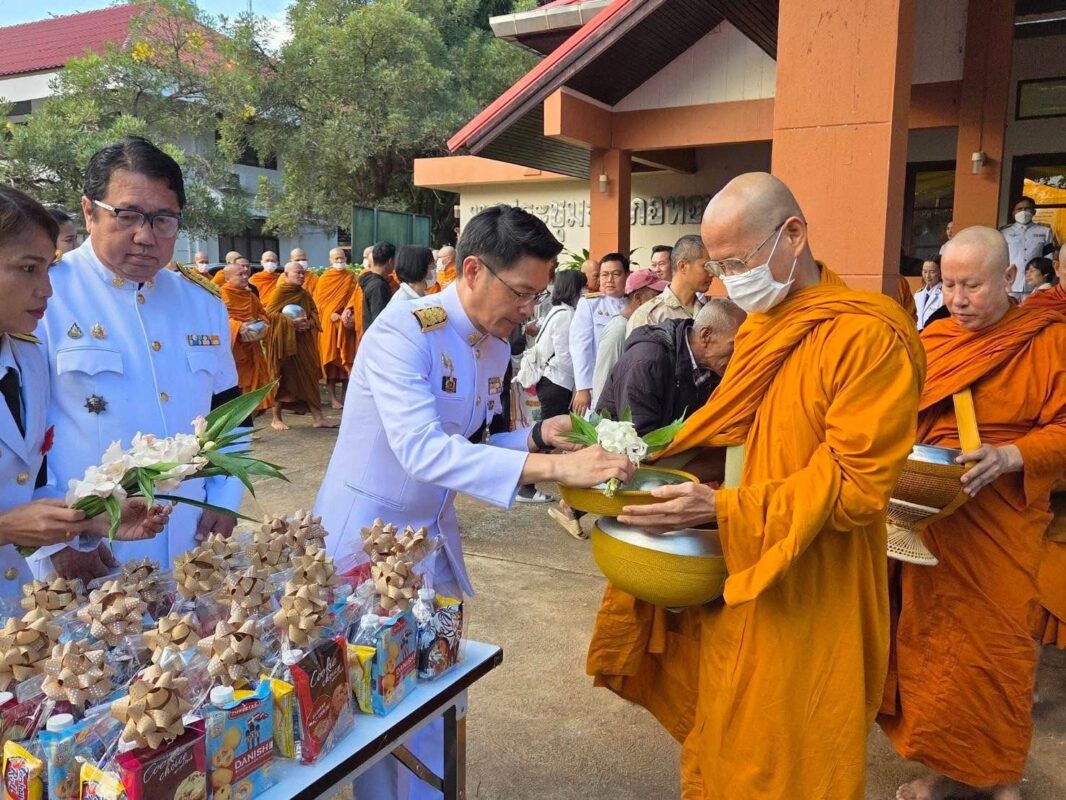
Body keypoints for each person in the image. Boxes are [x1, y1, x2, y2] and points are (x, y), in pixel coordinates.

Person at [586, 172, 924, 800]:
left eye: (738, 262)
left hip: (814, 584)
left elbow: (857, 486)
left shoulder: (868, 336)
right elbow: (737, 435)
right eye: (717, 268)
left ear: (793, 235)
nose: (728, 280)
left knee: (793, 751)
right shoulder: (763, 327)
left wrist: (720, 508)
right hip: (739, 566)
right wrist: (644, 465)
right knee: (725, 733)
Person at [313, 203, 634, 800]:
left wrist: (537, 437)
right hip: (365, 551)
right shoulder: (405, 332)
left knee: (432, 696)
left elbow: (473, 445)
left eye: (537, 296)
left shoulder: (492, 346)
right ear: (473, 271)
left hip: (429, 548)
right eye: (521, 293)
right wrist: (555, 468)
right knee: (371, 710)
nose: (528, 309)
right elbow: (422, 451)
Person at [878, 226, 1066, 800]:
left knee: (999, 652)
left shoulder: (1050, 341)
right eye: (949, 284)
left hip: (1002, 522)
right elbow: (897, 412)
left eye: (972, 286)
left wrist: (1012, 454)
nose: (957, 299)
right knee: (933, 646)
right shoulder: (935, 339)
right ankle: (944, 771)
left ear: (1009, 278)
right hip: (934, 522)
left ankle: (1001, 777)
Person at [34, 136, 244, 580]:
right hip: (90, 548)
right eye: (126, 216)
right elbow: (16, 443)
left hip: (191, 537)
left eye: (163, 219)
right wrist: (58, 541)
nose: (146, 236)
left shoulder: (202, 303)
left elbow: (230, 413)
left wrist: (225, 499)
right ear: (89, 211)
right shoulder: (44, 295)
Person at [0, 186, 168, 595]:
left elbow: (28, 478)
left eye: (48, 267)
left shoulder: (27, 359)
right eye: (28, 269)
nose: (47, 289)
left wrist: (94, 520)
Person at [599, 299, 745, 435]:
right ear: (706, 336)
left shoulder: (710, 369)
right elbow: (640, 438)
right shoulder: (647, 362)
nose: (740, 353)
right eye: (734, 344)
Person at [516, 268, 585, 506]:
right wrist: (582, 382)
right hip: (557, 381)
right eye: (582, 287)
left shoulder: (557, 311)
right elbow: (566, 355)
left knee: (545, 434)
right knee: (544, 436)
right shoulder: (566, 315)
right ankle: (526, 487)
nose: (585, 292)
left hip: (552, 380)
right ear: (574, 289)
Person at [265, 262, 336, 431]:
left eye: (303, 273)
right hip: (285, 346)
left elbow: (314, 313)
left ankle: (318, 417)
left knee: (309, 377)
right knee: (283, 379)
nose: (301, 276)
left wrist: (308, 323)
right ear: (286, 275)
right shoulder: (279, 292)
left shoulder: (304, 294)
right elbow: (270, 315)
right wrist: (291, 323)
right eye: (297, 273)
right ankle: (276, 418)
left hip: (303, 343)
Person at [591, 269, 667, 409]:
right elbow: (603, 380)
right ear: (638, 299)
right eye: (656, 296)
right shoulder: (619, 329)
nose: (661, 302)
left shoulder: (637, 326)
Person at [569, 253, 628, 414]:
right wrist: (583, 388)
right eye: (604, 274)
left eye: (616, 274)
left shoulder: (635, 303)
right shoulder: (590, 304)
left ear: (627, 275)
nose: (609, 280)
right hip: (598, 384)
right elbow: (580, 347)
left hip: (627, 382)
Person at [219, 262, 274, 413]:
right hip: (233, 352)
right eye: (240, 274)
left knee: (255, 395)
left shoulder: (250, 296)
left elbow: (262, 314)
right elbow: (217, 321)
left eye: (246, 274)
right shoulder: (220, 296)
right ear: (228, 278)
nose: (245, 277)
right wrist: (237, 326)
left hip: (252, 350)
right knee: (234, 391)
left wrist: (262, 325)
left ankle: (249, 421)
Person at [627, 235, 710, 335]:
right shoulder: (649, 316)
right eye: (706, 266)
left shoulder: (708, 313)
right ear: (682, 266)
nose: (711, 273)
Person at [313, 247, 358, 410]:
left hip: (346, 324)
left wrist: (348, 312)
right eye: (336, 259)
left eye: (342, 258)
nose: (340, 261)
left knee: (348, 358)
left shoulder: (351, 277)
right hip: (330, 324)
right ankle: (332, 398)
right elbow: (318, 304)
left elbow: (355, 299)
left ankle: (345, 396)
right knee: (331, 362)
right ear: (330, 260)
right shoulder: (324, 279)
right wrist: (331, 313)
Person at [999, 196, 1057, 299]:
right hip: (1011, 284)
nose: (1023, 212)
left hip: (1035, 286)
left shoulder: (1045, 231)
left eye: (1027, 208)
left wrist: (1045, 280)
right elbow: (1000, 257)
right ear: (1013, 212)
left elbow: (1048, 259)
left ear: (1034, 211)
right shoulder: (1004, 232)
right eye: (1019, 209)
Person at [356, 241, 396, 332]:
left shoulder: (373, 280)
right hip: (377, 337)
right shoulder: (378, 286)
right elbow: (379, 320)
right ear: (390, 261)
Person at [914, 256, 944, 331]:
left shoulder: (944, 295)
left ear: (940, 272)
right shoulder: (918, 295)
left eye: (932, 272)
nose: (927, 276)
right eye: (925, 271)